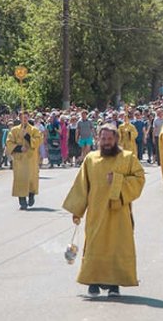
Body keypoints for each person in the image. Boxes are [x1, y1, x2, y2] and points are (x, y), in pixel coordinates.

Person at [63, 122, 146, 298]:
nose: (106, 142)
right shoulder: (91, 159)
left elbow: (139, 180)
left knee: (117, 247)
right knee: (94, 245)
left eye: (109, 138)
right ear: (98, 139)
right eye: (103, 138)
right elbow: (82, 186)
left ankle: (114, 285)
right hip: (96, 213)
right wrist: (77, 210)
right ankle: (92, 282)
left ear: (116, 139)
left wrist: (117, 180)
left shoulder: (128, 157)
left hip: (119, 214)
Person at [6, 111, 43, 210]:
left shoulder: (34, 130)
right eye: (22, 118)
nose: (24, 120)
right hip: (20, 160)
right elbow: (9, 142)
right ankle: (22, 201)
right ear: (19, 118)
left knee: (31, 179)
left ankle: (31, 195)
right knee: (20, 180)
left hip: (30, 159)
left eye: (26, 118)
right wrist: (18, 148)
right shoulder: (14, 130)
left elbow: (38, 141)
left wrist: (27, 136)